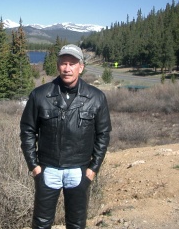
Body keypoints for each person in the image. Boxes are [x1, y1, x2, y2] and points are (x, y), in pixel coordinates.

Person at [20, 44, 112, 229]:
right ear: (58, 65)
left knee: (76, 224)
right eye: (63, 63)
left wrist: (92, 169)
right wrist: (35, 166)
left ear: (81, 67)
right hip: (48, 170)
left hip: (79, 171)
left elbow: (103, 135)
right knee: (41, 223)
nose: (67, 68)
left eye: (72, 63)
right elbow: (27, 130)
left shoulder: (96, 97)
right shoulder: (40, 95)